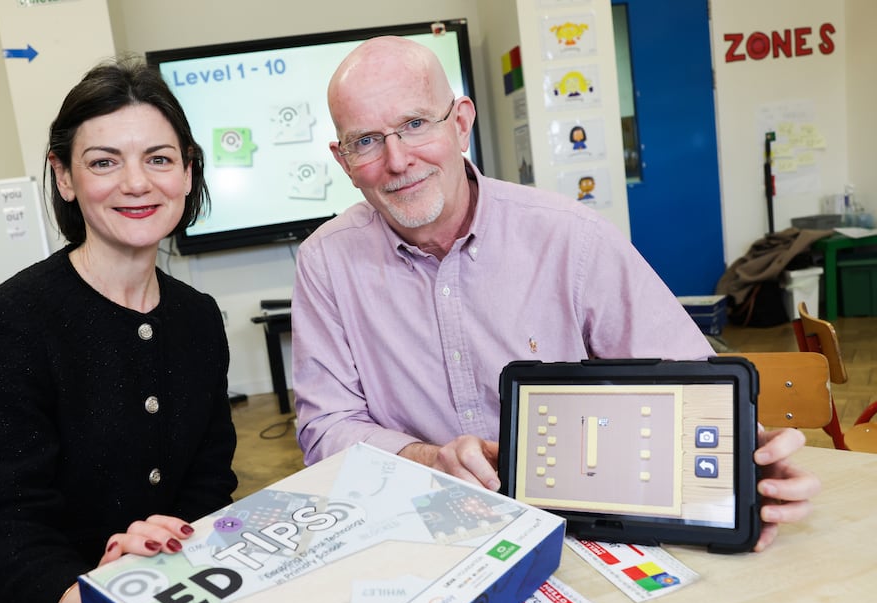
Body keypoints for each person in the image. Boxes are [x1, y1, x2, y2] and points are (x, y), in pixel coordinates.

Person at [291, 36, 819, 553]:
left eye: (414, 124)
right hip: (419, 524)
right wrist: (429, 460)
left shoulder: (572, 236)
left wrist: (743, 464)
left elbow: (691, 384)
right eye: (366, 141)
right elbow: (327, 428)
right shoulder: (325, 261)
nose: (398, 159)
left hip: (583, 522)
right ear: (342, 160)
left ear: (459, 124)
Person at [0, 58, 239, 603]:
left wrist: (164, 556)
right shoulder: (9, 323)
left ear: (187, 173)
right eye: (104, 161)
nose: (136, 183)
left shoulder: (198, 317)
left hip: (168, 594)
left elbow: (209, 483)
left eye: (159, 159)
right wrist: (89, 601)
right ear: (65, 177)